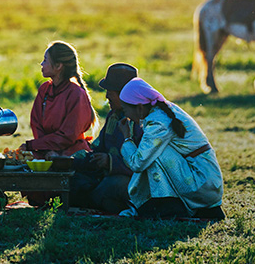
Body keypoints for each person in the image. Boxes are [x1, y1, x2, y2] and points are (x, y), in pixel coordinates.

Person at [117, 77, 225, 219]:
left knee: (153, 156)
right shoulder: (163, 112)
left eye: (125, 110)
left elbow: (137, 163)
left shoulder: (158, 122)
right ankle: (165, 205)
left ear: (140, 108)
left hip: (203, 184)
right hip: (206, 181)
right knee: (154, 152)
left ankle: (167, 207)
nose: (126, 116)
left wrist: (127, 138)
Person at [70, 63, 144, 214]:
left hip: (132, 180)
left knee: (112, 186)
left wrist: (110, 162)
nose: (107, 96)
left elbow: (142, 162)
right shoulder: (113, 116)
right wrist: (71, 160)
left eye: (110, 92)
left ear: (124, 94)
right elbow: (97, 146)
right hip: (105, 176)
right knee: (74, 180)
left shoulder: (140, 122)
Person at [21, 41, 97, 158]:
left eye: (45, 60)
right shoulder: (44, 89)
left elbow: (68, 135)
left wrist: (34, 145)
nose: (41, 64)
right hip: (45, 149)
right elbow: (36, 124)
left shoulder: (76, 94)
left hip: (72, 153)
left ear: (58, 66)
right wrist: (43, 148)